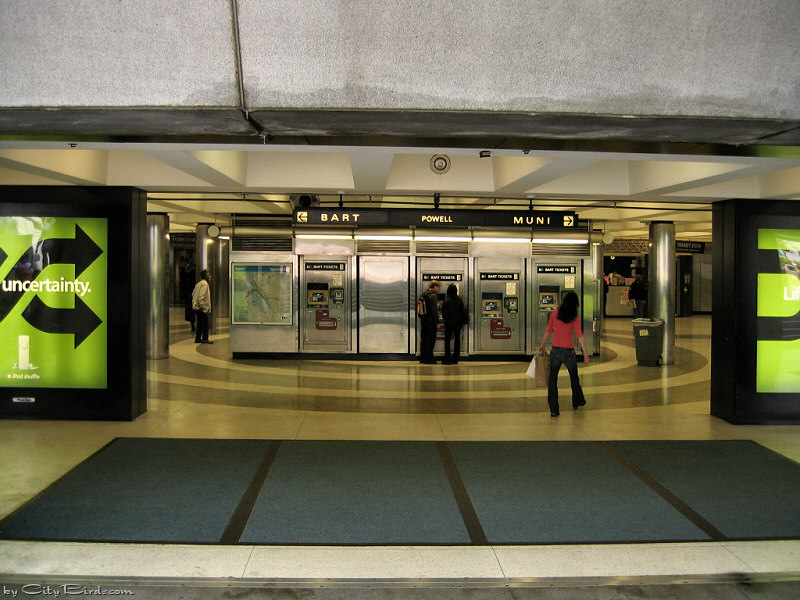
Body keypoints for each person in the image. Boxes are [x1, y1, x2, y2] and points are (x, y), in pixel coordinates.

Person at [538, 291, 589, 417]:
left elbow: (548, 330)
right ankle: (577, 401)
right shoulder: (574, 316)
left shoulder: (555, 313)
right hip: (568, 352)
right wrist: (585, 354)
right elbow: (580, 335)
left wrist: (542, 344)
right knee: (574, 378)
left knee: (553, 380)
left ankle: (554, 410)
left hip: (555, 351)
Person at [441, 283, 468, 364]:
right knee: (457, 340)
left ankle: (448, 359)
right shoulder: (459, 299)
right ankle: (456, 358)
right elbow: (463, 311)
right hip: (458, 323)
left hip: (449, 323)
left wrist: (446, 320)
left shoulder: (446, 300)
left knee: (447, 341)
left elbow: (444, 313)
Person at [418, 279, 440, 364]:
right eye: (438, 287)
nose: (438, 289)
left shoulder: (424, 294)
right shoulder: (433, 296)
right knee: (431, 340)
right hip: (431, 321)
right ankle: (429, 359)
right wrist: (437, 322)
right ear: (435, 287)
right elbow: (434, 311)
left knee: (424, 339)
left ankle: (422, 358)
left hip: (424, 320)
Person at [192, 269, 213, 344]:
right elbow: (201, 296)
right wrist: (202, 306)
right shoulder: (204, 284)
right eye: (208, 275)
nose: (209, 276)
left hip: (196, 306)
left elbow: (193, 294)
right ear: (205, 276)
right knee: (205, 323)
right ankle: (205, 338)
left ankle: (197, 338)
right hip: (201, 307)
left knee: (200, 323)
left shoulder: (198, 284)